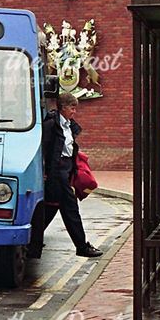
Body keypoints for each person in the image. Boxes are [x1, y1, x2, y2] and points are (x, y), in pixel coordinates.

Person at [28, 92, 103, 258]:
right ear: (62, 107)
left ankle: (32, 244)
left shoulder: (68, 125)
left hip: (66, 170)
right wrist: (45, 172)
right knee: (70, 209)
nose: (74, 111)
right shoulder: (51, 125)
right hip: (57, 172)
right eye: (72, 107)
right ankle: (82, 246)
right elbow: (45, 150)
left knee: (50, 207)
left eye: (75, 108)